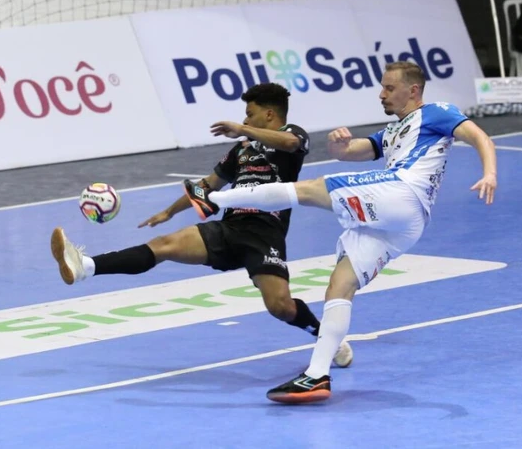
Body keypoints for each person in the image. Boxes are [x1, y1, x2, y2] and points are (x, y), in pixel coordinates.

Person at [183, 61, 498, 403]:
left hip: (402, 193)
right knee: (340, 285)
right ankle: (317, 376)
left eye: (389, 88)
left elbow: (478, 136)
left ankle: (212, 197)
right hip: (404, 224)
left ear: (414, 90)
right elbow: (352, 152)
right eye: (382, 87)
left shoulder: (437, 112)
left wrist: (490, 173)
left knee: (308, 189)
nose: (382, 94)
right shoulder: (392, 132)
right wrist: (338, 146)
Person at [51, 83, 353, 367]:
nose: (244, 119)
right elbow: (208, 185)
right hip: (229, 227)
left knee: (281, 307)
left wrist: (242, 128)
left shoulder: (292, 134)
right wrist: (169, 211)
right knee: (164, 246)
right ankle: (86, 266)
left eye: (250, 113)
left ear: (269, 114)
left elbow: (289, 143)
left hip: (264, 233)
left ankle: (325, 335)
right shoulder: (241, 150)